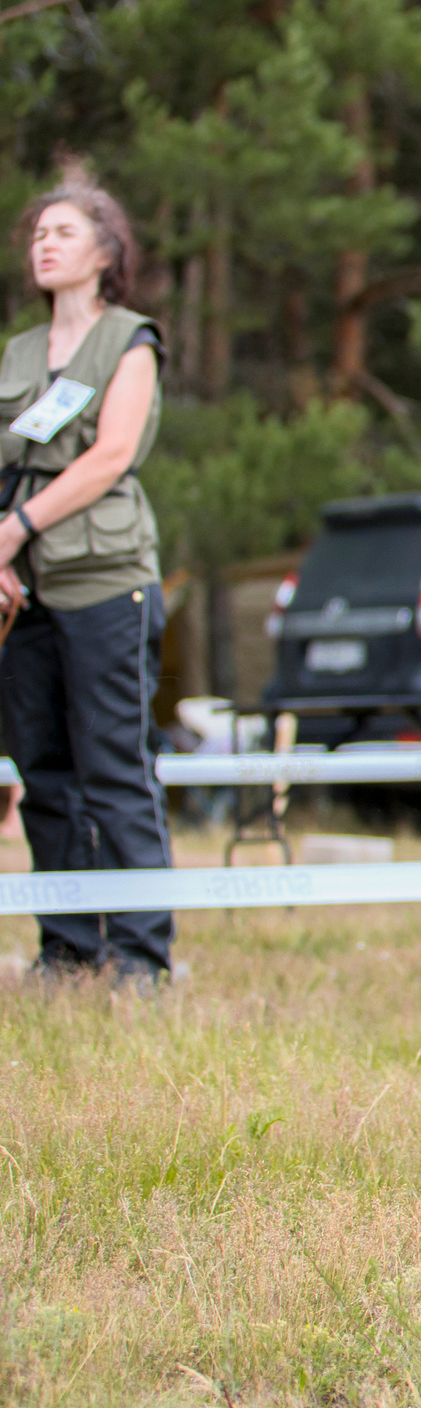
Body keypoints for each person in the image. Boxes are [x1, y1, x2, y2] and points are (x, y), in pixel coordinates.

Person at [0, 180, 174, 982]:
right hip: (24, 588)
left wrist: (16, 529)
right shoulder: (20, 354)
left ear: (107, 251)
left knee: (113, 766)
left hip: (104, 581)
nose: (45, 241)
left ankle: (142, 954)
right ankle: (68, 949)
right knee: (44, 771)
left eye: (64, 230)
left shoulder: (129, 341)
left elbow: (110, 457)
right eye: (38, 231)